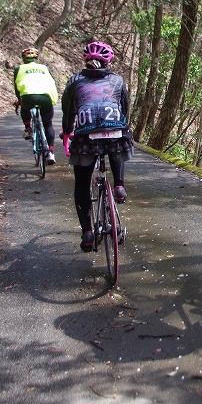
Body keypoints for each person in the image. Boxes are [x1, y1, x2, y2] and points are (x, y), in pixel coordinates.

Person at [60, 41, 134, 251]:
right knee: (117, 138)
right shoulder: (118, 80)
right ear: (108, 61)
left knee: (82, 184)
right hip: (115, 132)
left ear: (85, 60)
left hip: (85, 135)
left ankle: (87, 233)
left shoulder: (75, 81)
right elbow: (125, 109)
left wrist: (67, 132)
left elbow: (68, 112)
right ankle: (119, 186)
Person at [13, 47, 59, 164]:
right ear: (37, 58)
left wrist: (19, 100)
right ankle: (51, 152)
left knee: (24, 105)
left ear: (23, 58)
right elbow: (51, 84)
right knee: (48, 124)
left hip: (28, 97)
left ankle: (28, 128)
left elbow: (17, 88)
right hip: (46, 97)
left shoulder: (19, 69)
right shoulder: (45, 68)